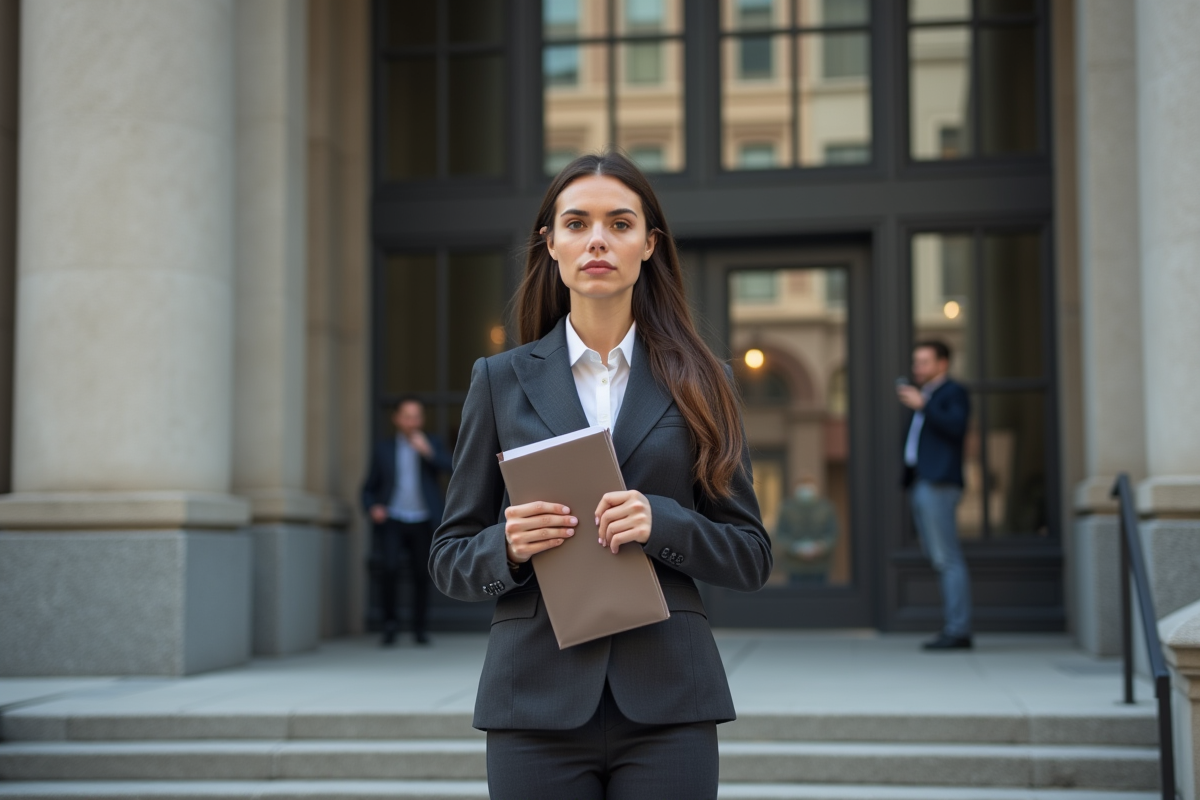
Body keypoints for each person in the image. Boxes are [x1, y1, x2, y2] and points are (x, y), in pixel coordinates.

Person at [429, 151, 772, 800]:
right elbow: (449, 557)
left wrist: (661, 520)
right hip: (533, 700)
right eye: (577, 223)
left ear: (649, 245)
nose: (597, 241)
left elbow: (751, 555)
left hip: (670, 700)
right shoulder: (498, 381)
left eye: (619, 224)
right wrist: (506, 544)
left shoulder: (703, 382)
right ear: (550, 242)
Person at [897, 340, 972, 651]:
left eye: (924, 362)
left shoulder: (952, 393)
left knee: (947, 558)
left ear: (943, 363)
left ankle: (958, 631)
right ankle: (955, 627)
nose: (918, 369)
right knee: (940, 557)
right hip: (923, 483)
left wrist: (924, 406)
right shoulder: (926, 396)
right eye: (916, 362)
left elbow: (957, 426)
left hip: (939, 484)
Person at [361, 396, 452, 646]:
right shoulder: (384, 449)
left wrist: (428, 453)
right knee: (389, 570)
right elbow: (369, 487)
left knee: (421, 575)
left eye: (417, 416)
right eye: (408, 416)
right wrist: (372, 507)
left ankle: (419, 628)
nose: (413, 421)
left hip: (423, 519)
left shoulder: (431, 443)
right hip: (393, 518)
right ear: (397, 419)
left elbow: (453, 468)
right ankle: (389, 626)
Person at [773, 475, 838, 584]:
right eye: (802, 486)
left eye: (809, 486)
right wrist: (795, 548)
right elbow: (780, 534)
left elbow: (833, 533)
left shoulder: (826, 508)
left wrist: (822, 546)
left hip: (820, 566)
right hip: (794, 567)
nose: (806, 490)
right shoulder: (787, 508)